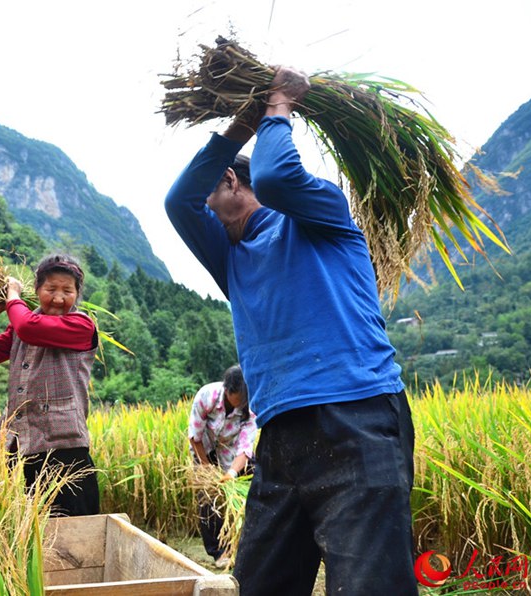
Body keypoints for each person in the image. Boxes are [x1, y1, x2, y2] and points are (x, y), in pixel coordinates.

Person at [165, 67, 417, 595]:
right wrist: (238, 124)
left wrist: (278, 106)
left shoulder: (319, 215)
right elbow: (177, 202)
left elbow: (277, 178)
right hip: (280, 435)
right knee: (259, 585)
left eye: (214, 194)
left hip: (357, 415)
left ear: (232, 181)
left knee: (368, 586)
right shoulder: (230, 257)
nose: (205, 211)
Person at [0, 253, 100, 517]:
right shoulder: (21, 329)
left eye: (67, 291)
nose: (59, 298)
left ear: (77, 294)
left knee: (76, 535)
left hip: (64, 450)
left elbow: (27, 326)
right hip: (20, 448)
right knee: (27, 535)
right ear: (37, 290)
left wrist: (13, 294)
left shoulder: (81, 325)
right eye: (50, 289)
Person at [188, 364, 257, 569]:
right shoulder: (206, 396)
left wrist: (232, 473)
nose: (240, 402)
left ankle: (244, 545)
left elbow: (245, 448)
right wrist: (206, 467)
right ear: (227, 389)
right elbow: (195, 436)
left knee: (253, 490)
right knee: (208, 500)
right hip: (205, 451)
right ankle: (219, 552)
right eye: (237, 396)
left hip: (233, 456)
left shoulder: (250, 408)